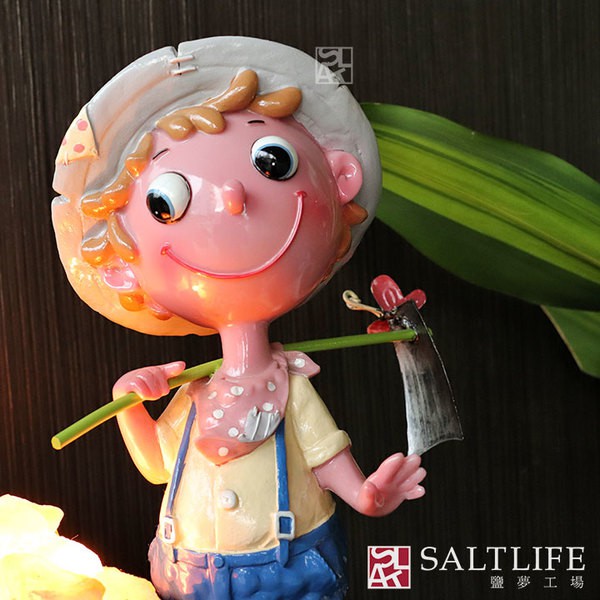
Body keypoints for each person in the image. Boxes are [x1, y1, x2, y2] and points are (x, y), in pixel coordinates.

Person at [52, 36, 426, 599]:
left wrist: (366, 496)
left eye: (272, 162)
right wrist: (129, 403)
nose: (231, 195)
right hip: (190, 570)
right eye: (164, 202)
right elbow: (159, 464)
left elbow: (325, 457)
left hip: (290, 565)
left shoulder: (291, 386)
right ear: (122, 268)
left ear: (340, 178)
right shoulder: (194, 391)